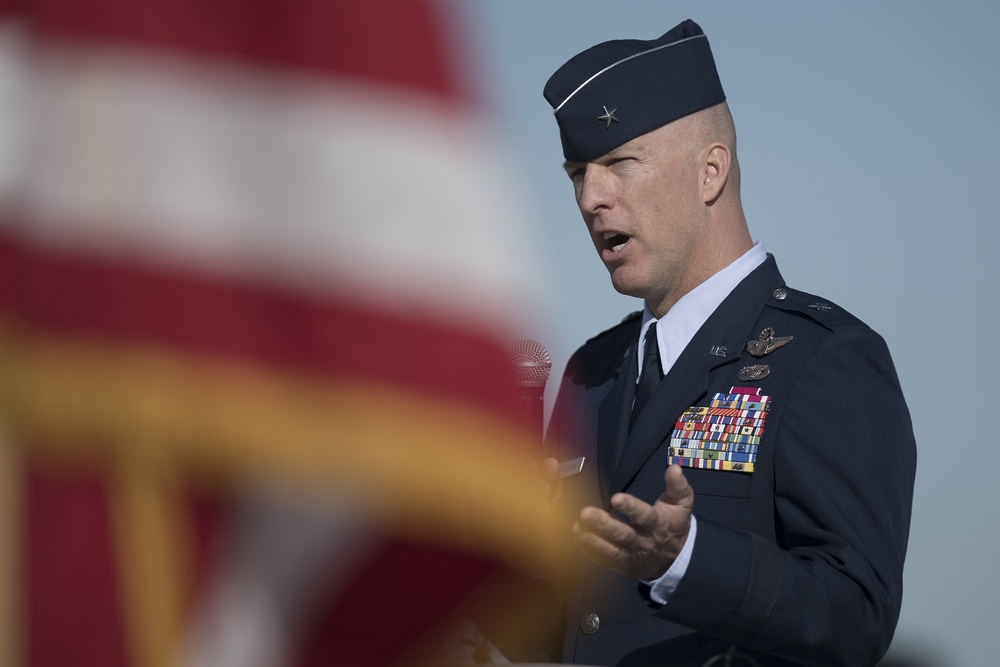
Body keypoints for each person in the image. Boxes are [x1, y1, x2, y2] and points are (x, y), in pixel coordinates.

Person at [540, 19, 916, 667]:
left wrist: (687, 559)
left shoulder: (823, 356)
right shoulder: (589, 374)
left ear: (710, 170)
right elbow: (581, 623)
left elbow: (858, 614)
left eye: (618, 163)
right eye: (577, 172)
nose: (590, 197)